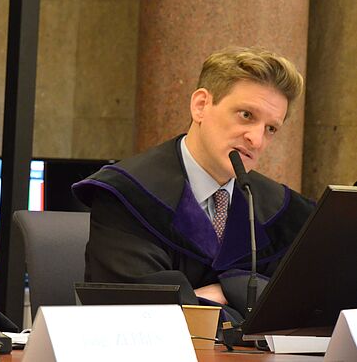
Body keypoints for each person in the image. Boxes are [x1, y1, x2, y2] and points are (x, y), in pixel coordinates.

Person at [72, 48, 315, 322]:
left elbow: (308, 306)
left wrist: (223, 290)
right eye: (246, 115)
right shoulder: (126, 194)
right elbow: (144, 313)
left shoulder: (286, 211)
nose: (257, 140)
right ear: (200, 105)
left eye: (271, 128)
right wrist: (242, 295)